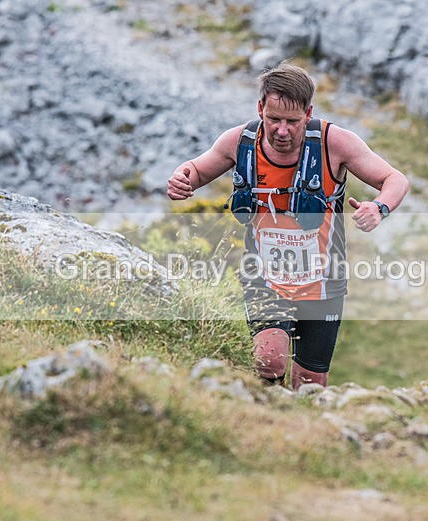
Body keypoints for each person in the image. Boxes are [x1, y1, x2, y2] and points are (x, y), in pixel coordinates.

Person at [167, 61, 408, 389]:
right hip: (263, 276)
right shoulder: (240, 142)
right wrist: (183, 180)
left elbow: (395, 179)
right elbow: (195, 169)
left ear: (308, 114)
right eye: (273, 120)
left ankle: (303, 430)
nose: (282, 131)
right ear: (260, 108)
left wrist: (379, 208)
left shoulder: (335, 144)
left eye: (292, 122)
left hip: (323, 282)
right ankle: (266, 419)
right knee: (270, 359)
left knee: (310, 382)